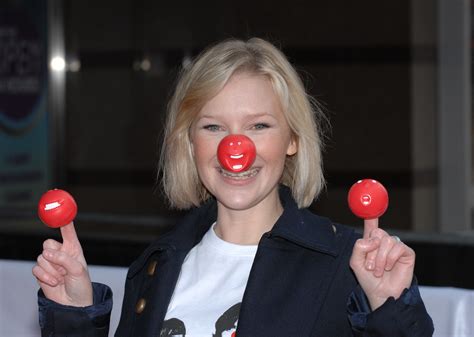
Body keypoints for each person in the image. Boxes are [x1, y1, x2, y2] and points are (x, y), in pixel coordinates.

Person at [33, 38, 434, 337]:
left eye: (258, 126)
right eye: (213, 127)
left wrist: (388, 309)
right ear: (190, 143)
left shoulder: (345, 267)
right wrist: (76, 316)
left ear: (292, 139)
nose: (234, 149)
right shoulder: (157, 267)